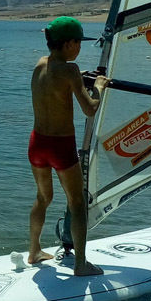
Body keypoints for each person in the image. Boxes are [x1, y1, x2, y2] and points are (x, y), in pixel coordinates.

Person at [27, 16, 107, 276]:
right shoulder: (70, 70)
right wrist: (98, 87)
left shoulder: (40, 64)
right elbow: (90, 109)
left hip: (37, 143)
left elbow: (55, 81)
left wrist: (79, 79)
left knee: (43, 198)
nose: (80, 48)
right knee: (77, 202)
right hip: (60, 146)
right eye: (78, 43)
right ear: (69, 44)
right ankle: (81, 264)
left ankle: (34, 251)